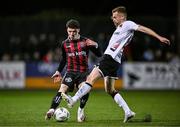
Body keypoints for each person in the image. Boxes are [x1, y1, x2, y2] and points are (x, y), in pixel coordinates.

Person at [61, 6, 170, 123]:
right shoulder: (120, 28)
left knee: (90, 78)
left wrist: (159, 37)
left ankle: (73, 99)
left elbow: (142, 28)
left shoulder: (127, 24)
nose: (113, 19)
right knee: (110, 89)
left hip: (109, 58)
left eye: (115, 17)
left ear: (122, 17)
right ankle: (128, 112)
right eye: (112, 17)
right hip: (116, 61)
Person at [45, 19, 102, 122]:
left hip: (83, 72)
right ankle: (52, 110)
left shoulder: (85, 42)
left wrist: (96, 45)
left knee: (84, 91)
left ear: (78, 30)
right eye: (69, 31)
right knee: (62, 89)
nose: (71, 33)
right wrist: (58, 71)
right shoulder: (64, 44)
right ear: (67, 30)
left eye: (74, 31)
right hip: (70, 71)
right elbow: (63, 59)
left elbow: (99, 54)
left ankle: (80, 111)